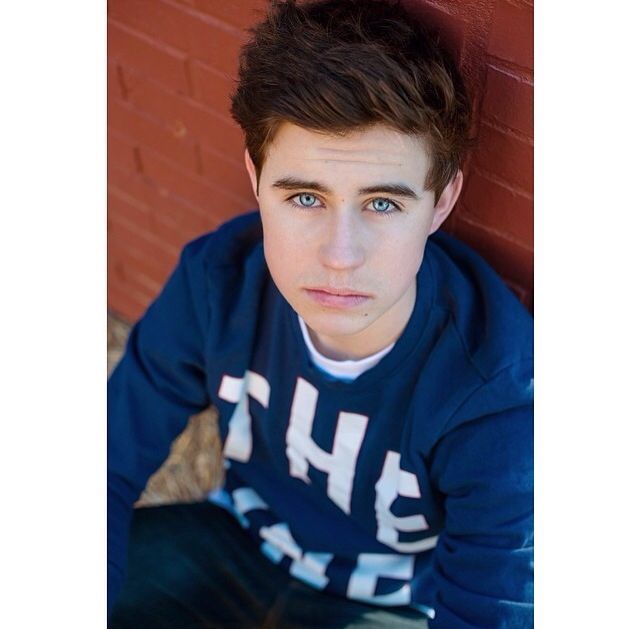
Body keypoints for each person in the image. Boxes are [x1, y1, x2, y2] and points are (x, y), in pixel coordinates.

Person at [108, 0, 533, 626]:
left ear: (441, 202)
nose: (340, 256)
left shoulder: (496, 390)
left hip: (387, 604)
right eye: (306, 197)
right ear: (256, 177)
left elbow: (489, 609)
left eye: (383, 204)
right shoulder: (220, 282)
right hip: (233, 543)